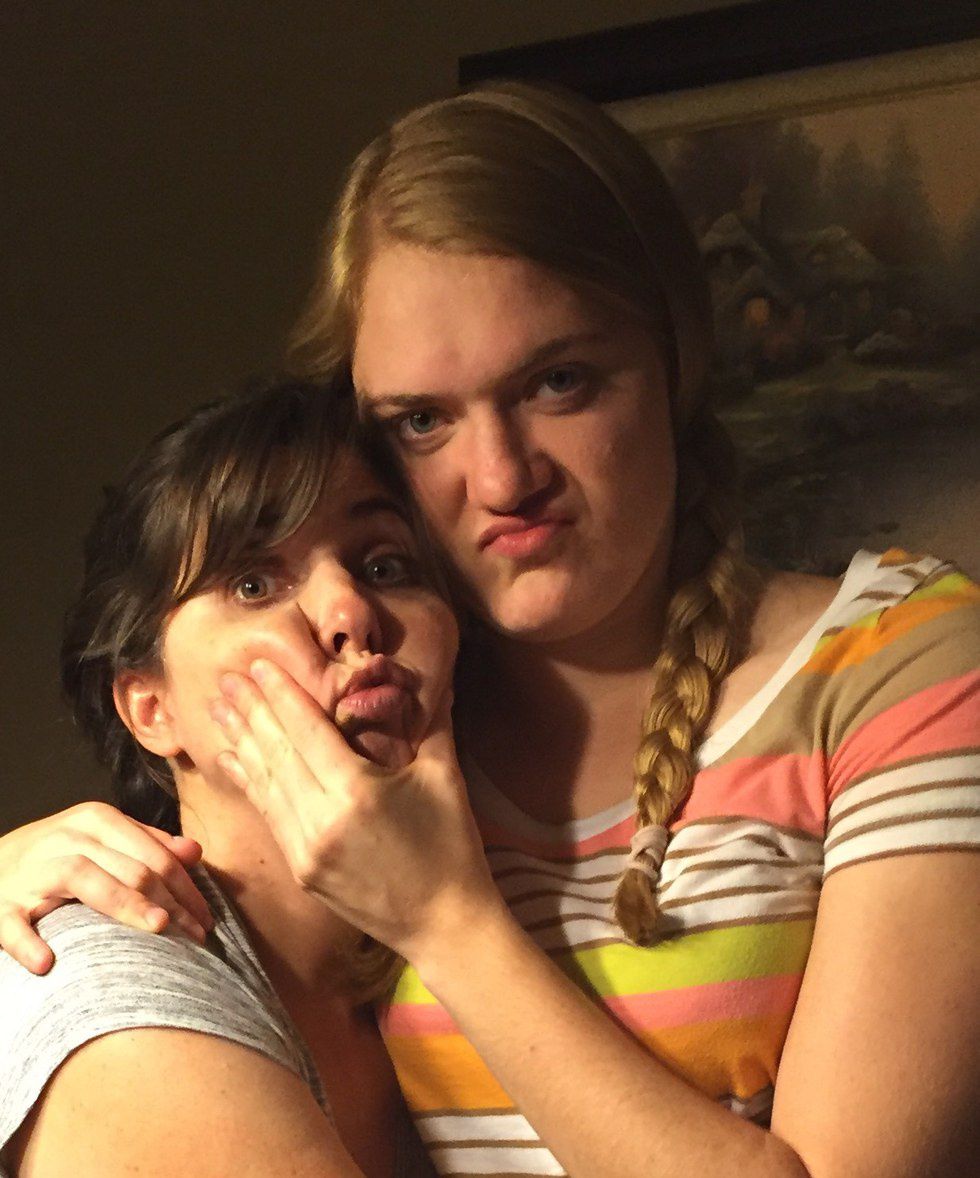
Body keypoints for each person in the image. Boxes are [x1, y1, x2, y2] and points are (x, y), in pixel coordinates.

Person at [2, 82, 979, 1177]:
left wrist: (447, 922)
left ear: (675, 360)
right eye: (423, 420)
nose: (503, 479)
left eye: (558, 382)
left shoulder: (898, 664)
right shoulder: (398, 709)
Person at [0, 378, 454, 1176]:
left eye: (385, 565)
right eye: (253, 584)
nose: (351, 611)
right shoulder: (113, 978)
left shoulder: (460, 957)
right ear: (151, 709)